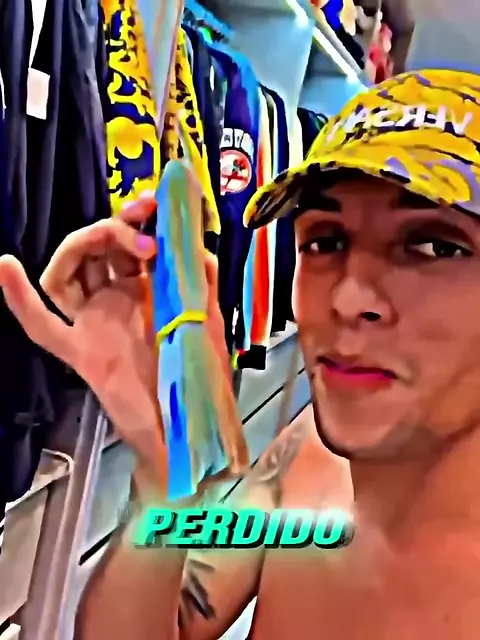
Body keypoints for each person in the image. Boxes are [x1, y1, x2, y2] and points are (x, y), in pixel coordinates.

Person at [2, 67, 480, 638]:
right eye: (326, 240)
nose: (349, 297)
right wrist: (166, 471)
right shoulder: (306, 457)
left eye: (434, 246)